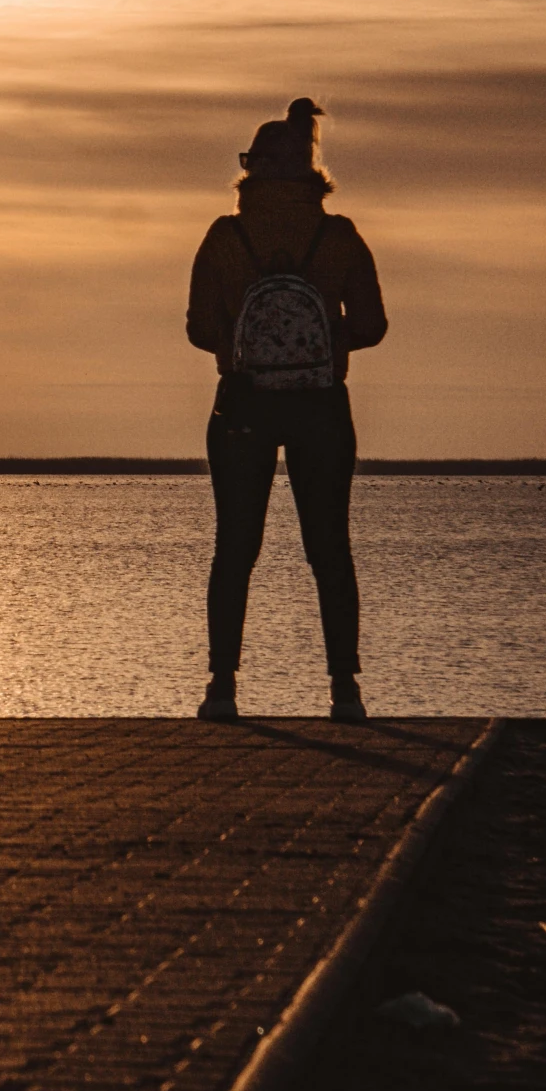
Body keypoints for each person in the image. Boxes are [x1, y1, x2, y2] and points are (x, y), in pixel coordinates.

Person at [185, 97, 387, 723]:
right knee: (330, 549)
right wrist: (324, 341)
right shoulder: (340, 235)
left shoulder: (225, 236)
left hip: (242, 403)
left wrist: (239, 344)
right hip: (322, 405)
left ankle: (222, 689)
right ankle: (345, 693)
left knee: (235, 549)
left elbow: (197, 329)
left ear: (260, 169)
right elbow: (374, 326)